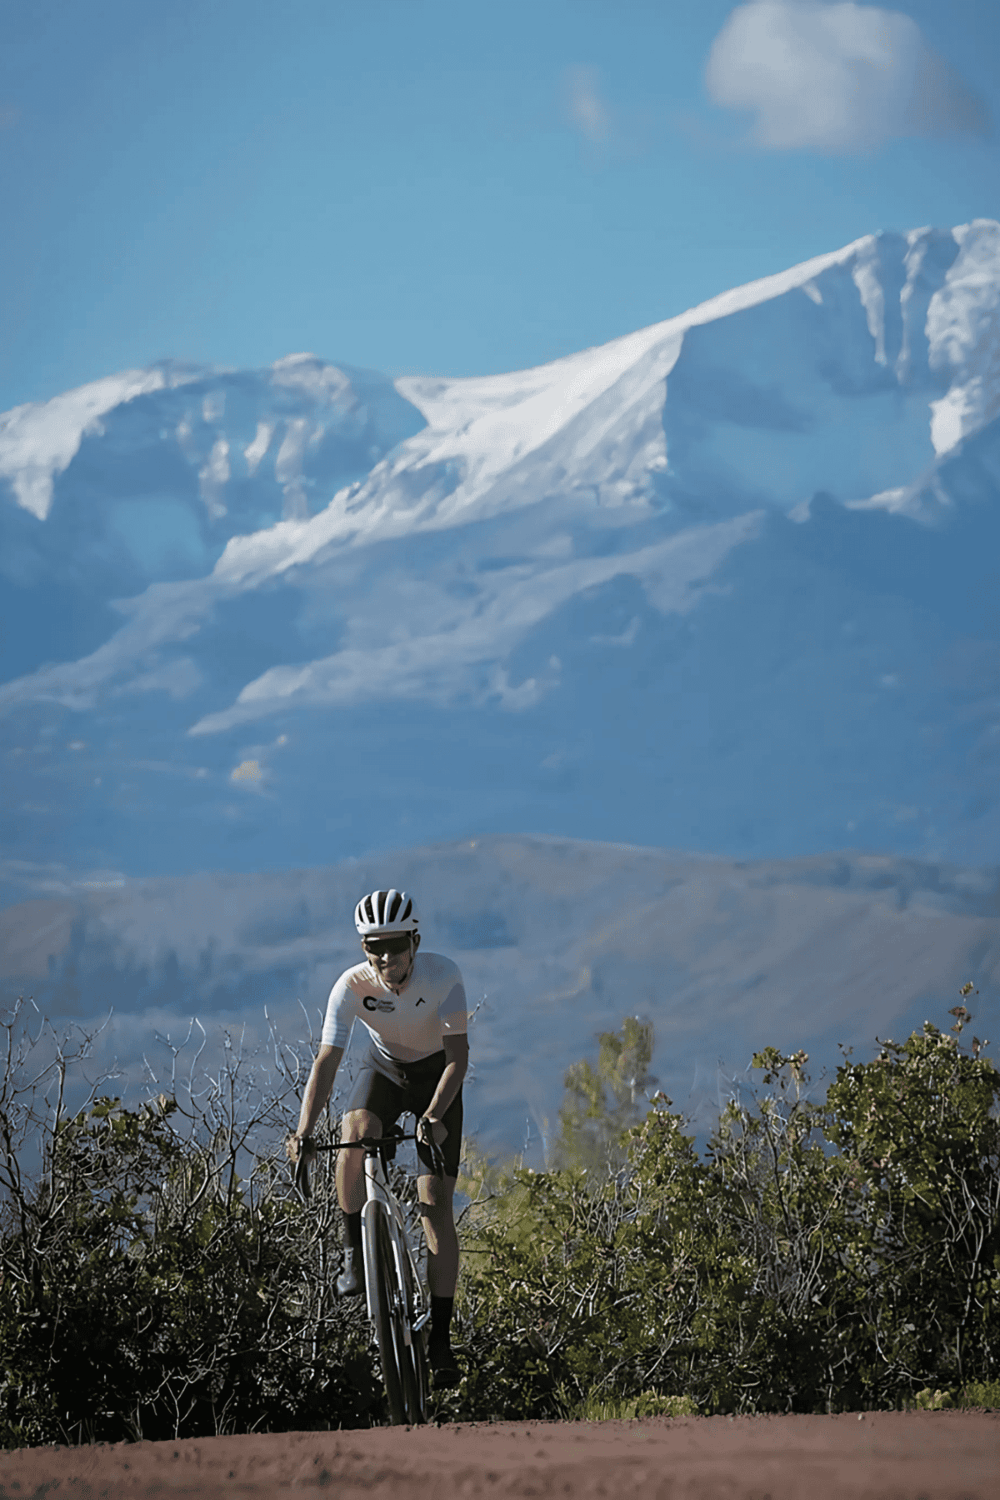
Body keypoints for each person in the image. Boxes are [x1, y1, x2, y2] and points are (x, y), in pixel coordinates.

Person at [287, 889, 468, 1387]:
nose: (385, 957)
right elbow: (327, 1062)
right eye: (374, 946)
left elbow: (458, 1059)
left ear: (414, 940)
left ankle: (441, 1341)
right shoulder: (351, 985)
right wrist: (304, 1131)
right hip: (385, 1072)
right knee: (354, 1132)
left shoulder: (443, 975)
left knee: (434, 1204)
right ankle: (353, 1254)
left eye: (394, 945)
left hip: (438, 1079)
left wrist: (432, 1116)